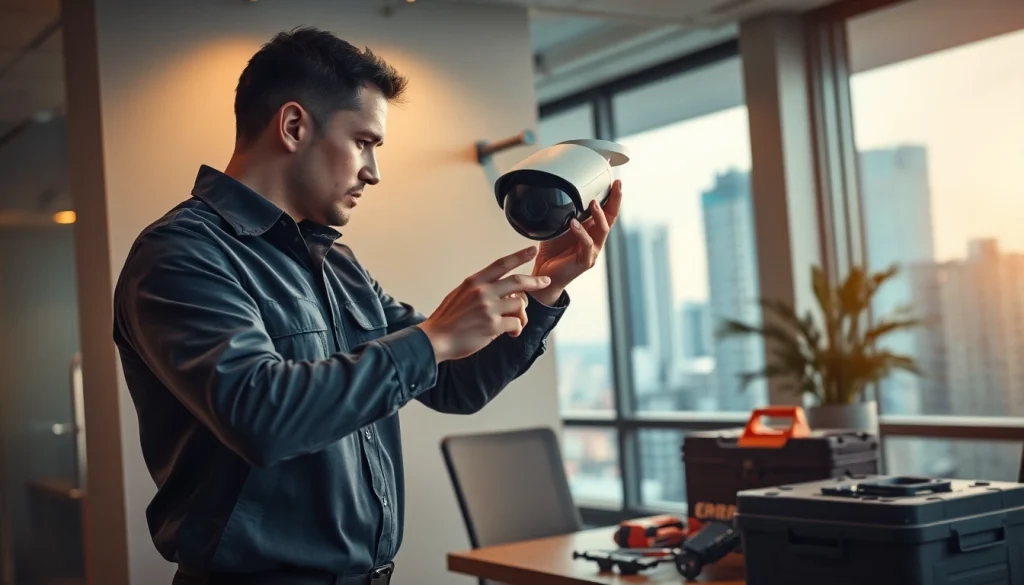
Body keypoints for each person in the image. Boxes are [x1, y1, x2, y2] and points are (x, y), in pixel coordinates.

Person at [112, 27, 623, 585]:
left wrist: (545, 288)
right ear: (293, 126)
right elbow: (257, 416)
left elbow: (454, 385)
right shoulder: (180, 254)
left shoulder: (340, 266)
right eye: (364, 142)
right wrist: (431, 338)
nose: (373, 171)